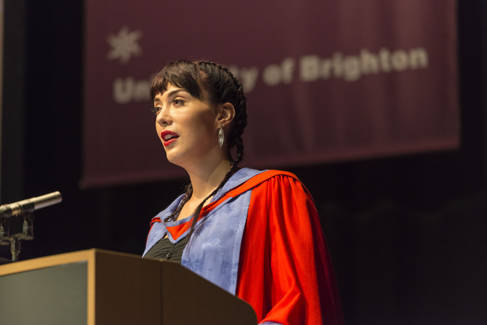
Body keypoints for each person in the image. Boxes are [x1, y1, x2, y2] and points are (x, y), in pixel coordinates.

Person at [142, 60, 342, 325]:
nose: (161, 117)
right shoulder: (160, 226)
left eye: (177, 101)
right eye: (157, 107)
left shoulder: (272, 193)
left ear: (222, 115)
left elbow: (299, 304)